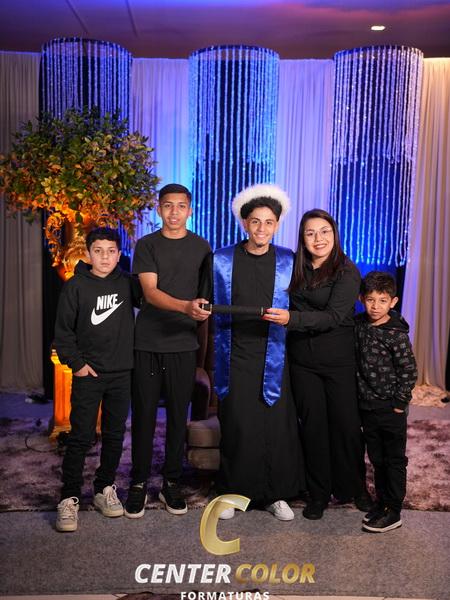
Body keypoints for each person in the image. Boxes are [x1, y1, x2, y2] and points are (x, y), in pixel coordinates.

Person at [267, 208, 370, 520]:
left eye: (324, 231)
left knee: (347, 427)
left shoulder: (347, 271)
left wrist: (292, 318)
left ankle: (355, 488)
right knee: (313, 428)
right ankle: (319, 493)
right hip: (303, 362)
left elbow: (334, 317)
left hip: (339, 361)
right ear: (302, 238)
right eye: (310, 233)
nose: (318, 238)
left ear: (334, 234)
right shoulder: (294, 268)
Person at [214, 183, 304, 521]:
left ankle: (275, 494)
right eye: (255, 221)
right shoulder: (222, 259)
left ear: (277, 225)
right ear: (244, 223)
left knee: (275, 425)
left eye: (268, 222)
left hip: (275, 353)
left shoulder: (288, 260)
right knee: (239, 424)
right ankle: (233, 494)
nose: (261, 228)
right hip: (235, 353)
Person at [125, 183, 211, 518]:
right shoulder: (147, 245)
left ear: (190, 210)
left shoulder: (202, 247)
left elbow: (204, 297)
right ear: (159, 209)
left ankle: (171, 483)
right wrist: (186, 306)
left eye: (181, 206)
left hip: (183, 344)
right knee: (144, 415)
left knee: (178, 416)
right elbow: (149, 292)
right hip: (147, 342)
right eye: (168, 205)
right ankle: (138, 483)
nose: (174, 212)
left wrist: (199, 309)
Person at [53, 227, 137, 532]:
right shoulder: (75, 286)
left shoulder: (128, 284)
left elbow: (156, 301)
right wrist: (77, 365)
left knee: (115, 435)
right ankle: (69, 497)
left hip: (121, 374)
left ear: (119, 253)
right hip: (89, 374)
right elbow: (63, 332)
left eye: (111, 251)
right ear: (88, 254)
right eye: (98, 251)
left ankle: (104, 489)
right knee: (81, 436)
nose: (105, 257)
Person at [355, 271, 417, 533]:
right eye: (370, 300)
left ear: (393, 302)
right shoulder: (359, 325)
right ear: (361, 299)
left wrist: (399, 404)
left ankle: (394, 510)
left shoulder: (396, 334)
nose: (375, 306)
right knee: (377, 459)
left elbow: (409, 371)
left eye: (382, 301)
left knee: (393, 460)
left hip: (391, 408)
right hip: (367, 406)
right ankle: (382, 503)